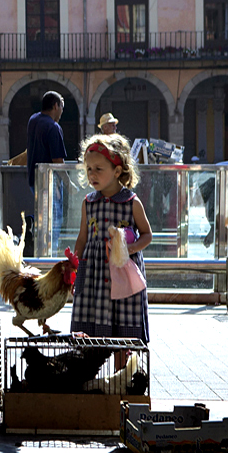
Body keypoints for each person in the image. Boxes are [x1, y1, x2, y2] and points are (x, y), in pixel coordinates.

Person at [70, 134, 151, 344]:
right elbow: (83, 238)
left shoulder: (132, 203)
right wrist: (73, 267)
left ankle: (121, 372)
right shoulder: (88, 203)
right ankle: (93, 372)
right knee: (90, 331)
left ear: (117, 170)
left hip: (123, 273)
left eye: (98, 169)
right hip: (93, 276)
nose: (92, 174)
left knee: (124, 332)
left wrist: (128, 249)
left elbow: (147, 235)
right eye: (89, 169)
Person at [27, 90, 67, 245]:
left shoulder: (33, 120)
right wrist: (68, 185)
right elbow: (58, 162)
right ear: (56, 106)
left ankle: (39, 245)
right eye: (62, 107)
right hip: (49, 184)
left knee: (43, 221)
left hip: (34, 180)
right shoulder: (53, 127)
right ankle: (51, 256)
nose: (62, 112)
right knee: (53, 223)